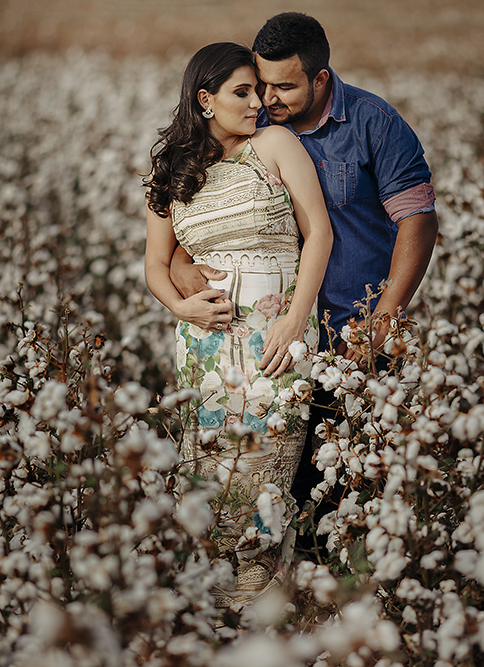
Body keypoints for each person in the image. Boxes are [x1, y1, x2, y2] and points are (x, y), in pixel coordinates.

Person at [170, 14, 439, 556]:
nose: (266, 98)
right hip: (271, 339)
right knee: (274, 481)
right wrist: (185, 280)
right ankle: (272, 596)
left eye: (283, 86)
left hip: (350, 325)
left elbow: (419, 219)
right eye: (259, 83)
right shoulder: (247, 130)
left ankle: (339, 604)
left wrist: (384, 318)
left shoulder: (373, 123)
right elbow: (198, 229)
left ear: (320, 79)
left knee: (348, 482)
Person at [143, 42, 333, 608]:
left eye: (259, 91)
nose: (259, 104)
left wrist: (295, 321)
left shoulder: (273, 144)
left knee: (267, 458)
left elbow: (318, 232)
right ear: (206, 100)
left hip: (278, 330)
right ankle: (204, 592)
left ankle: (261, 590)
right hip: (204, 341)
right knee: (209, 463)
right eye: (242, 93)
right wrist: (182, 308)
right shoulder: (173, 172)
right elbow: (157, 263)